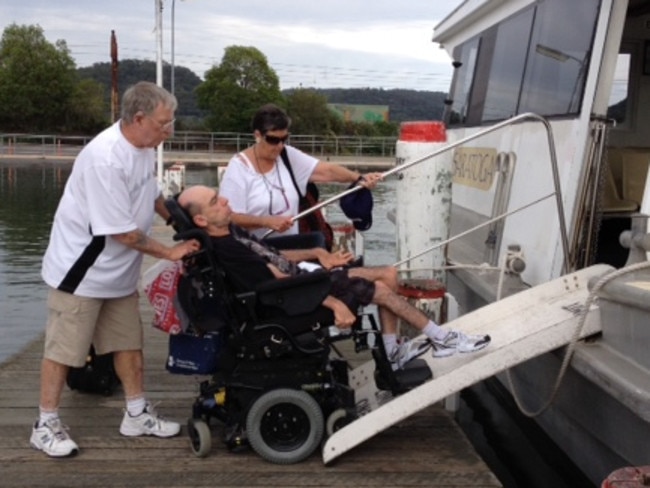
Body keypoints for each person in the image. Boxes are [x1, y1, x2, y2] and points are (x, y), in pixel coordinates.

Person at [31, 81, 201, 458]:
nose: (168, 131)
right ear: (138, 118)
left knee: (128, 344)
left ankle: (136, 413)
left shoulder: (143, 146)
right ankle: (44, 424)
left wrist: (180, 223)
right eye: (163, 123)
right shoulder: (105, 158)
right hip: (82, 273)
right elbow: (124, 233)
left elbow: (152, 193)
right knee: (64, 350)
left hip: (119, 274)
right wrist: (170, 252)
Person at [177, 185, 491, 370]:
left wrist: (318, 255)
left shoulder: (230, 230)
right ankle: (442, 338)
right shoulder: (227, 249)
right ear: (202, 219)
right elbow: (274, 285)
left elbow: (273, 256)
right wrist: (333, 303)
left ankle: (393, 350)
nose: (227, 201)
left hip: (303, 281)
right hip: (295, 298)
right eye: (217, 200)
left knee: (388, 273)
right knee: (379, 289)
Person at [218, 103, 384, 248]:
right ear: (257, 135)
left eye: (285, 139)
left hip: (293, 246)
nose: (280, 146)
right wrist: (266, 221)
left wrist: (359, 178)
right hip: (257, 248)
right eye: (273, 140)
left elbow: (327, 171)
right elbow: (228, 217)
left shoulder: (287, 156)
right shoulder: (239, 168)